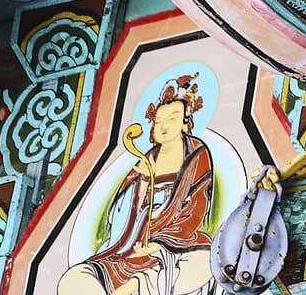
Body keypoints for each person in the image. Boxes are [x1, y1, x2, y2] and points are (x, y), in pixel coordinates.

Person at [57, 77, 216, 295]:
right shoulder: (146, 160)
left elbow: (197, 206)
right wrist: (143, 183)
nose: (164, 126)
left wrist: (159, 244)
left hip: (175, 244)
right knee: (73, 278)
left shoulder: (197, 154)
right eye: (158, 121)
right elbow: (120, 212)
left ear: (185, 121)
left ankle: (137, 285)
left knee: (206, 261)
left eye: (172, 118)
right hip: (131, 245)